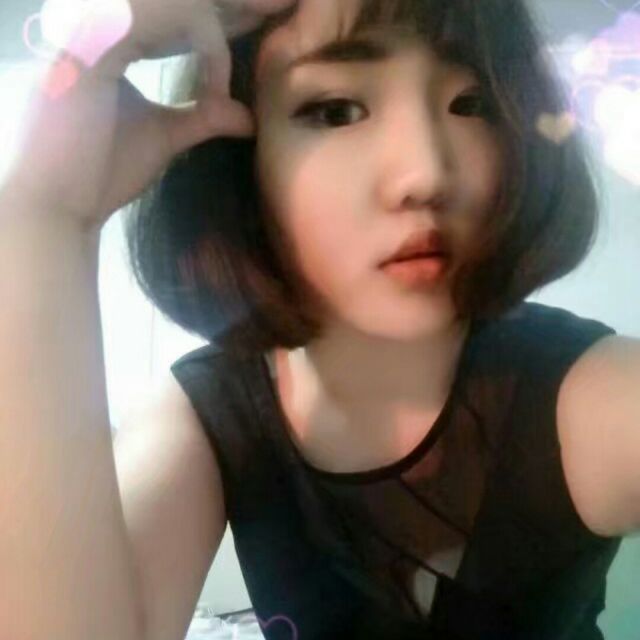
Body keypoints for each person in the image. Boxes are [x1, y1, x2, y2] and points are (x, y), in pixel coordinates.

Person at [1, 1, 639, 639]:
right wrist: (46, 217)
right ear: (239, 157)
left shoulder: (585, 394)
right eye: (336, 110)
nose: (426, 173)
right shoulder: (208, 413)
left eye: (470, 104)